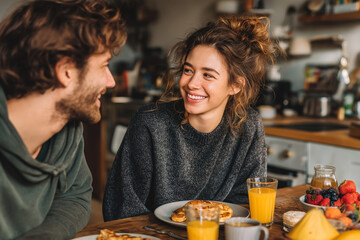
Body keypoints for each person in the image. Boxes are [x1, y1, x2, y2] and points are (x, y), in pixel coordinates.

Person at [103, 16, 282, 220]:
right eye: (188, 70)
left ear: (235, 86)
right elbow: (122, 208)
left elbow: (246, 203)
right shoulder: (150, 123)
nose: (191, 83)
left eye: (208, 75)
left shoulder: (248, 125)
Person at [0, 0, 126, 239]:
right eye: (104, 66)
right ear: (66, 70)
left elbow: (75, 195)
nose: (111, 82)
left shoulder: (67, 125)